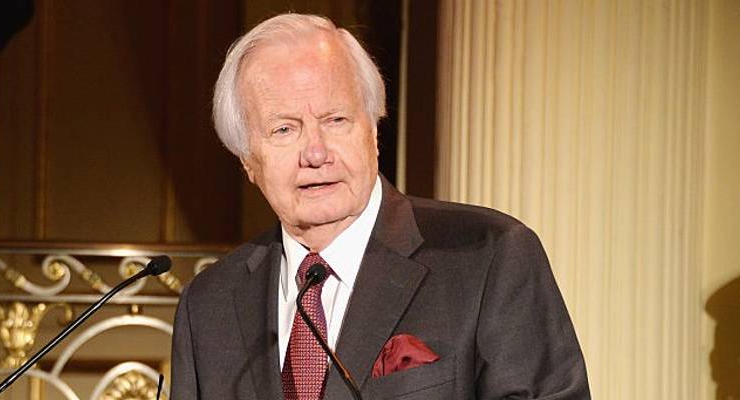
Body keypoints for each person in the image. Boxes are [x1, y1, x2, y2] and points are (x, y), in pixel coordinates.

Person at [171, 13, 589, 400]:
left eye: (336, 120)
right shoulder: (208, 306)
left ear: (372, 129)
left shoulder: (489, 255)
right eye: (284, 129)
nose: (315, 153)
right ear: (247, 159)